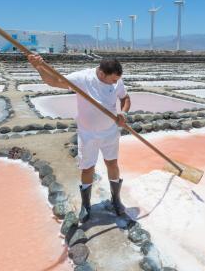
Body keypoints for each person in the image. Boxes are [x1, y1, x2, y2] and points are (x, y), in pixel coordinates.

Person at [27, 55, 131, 222]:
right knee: (87, 168)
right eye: (112, 80)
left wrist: (123, 113)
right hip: (88, 134)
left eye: (116, 80)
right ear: (102, 74)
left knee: (112, 163)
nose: (114, 83)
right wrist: (39, 66)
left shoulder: (116, 81)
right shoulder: (82, 78)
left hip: (110, 132)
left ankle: (116, 199)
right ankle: (86, 205)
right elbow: (54, 81)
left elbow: (125, 98)